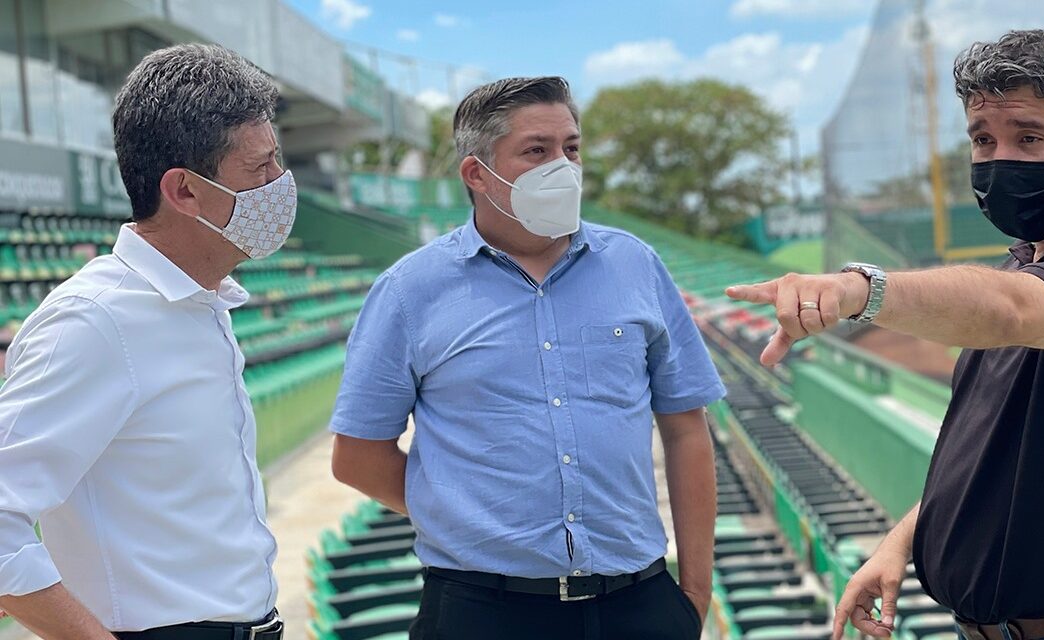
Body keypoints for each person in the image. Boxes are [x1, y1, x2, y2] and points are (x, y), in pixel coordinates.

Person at [727, 29, 1044, 640]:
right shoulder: (1023, 266)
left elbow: (1010, 310)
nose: (1000, 160)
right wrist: (904, 541)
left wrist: (857, 290)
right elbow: (992, 450)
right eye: (984, 139)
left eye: (1029, 137)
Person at [329, 76, 726, 640]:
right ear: (477, 174)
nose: (562, 166)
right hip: (481, 611)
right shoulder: (409, 291)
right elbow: (357, 456)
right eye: (536, 151)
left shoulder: (635, 265)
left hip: (639, 603)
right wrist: (474, 522)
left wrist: (693, 594)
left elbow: (687, 430)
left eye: (571, 148)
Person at [0, 44, 293, 639]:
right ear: (184, 191)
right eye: (260, 169)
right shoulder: (96, 321)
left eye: (278, 163)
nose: (280, 185)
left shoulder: (202, 303)